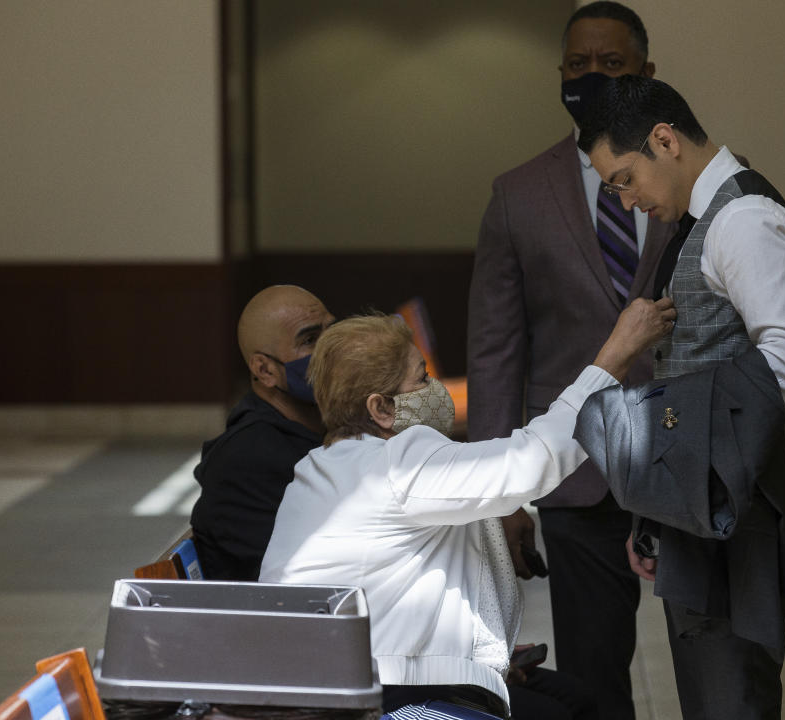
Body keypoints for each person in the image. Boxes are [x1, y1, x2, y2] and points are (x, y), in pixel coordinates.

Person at [260, 297, 676, 720]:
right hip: (372, 688)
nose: (434, 390)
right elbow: (531, 461)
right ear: (381, 409)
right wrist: (614, 358)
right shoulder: (396, 462)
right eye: (421, 379)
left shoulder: (328, 462)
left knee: (577, 700)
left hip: (342, 671)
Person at [577, 74, 785, 719]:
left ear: (665, 140)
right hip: (706, 487)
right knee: (704, 679)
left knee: (727, 691)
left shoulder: (741, 218)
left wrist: (672, 438)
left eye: (624, 179)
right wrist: (658, 512)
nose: (625, 200)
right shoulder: (701, 216)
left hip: (742, 496)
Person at [466, 4, 674, 718]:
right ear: (559, 75)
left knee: (711, 657)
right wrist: (501, 496)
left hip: (685, 458)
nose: (591, 78)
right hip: (575, 473)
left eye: (610, 66)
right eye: (577, 66)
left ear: (645, 74)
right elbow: (495, 352)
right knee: (592, 674)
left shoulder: (686, 184)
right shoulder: (518, 194)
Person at [189, 285, 335, 581]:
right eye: (309, 340)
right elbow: (308, 575)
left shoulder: (326, 424)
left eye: (332, 332)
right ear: (265, 370)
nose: (331, 349)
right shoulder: (247, 459)